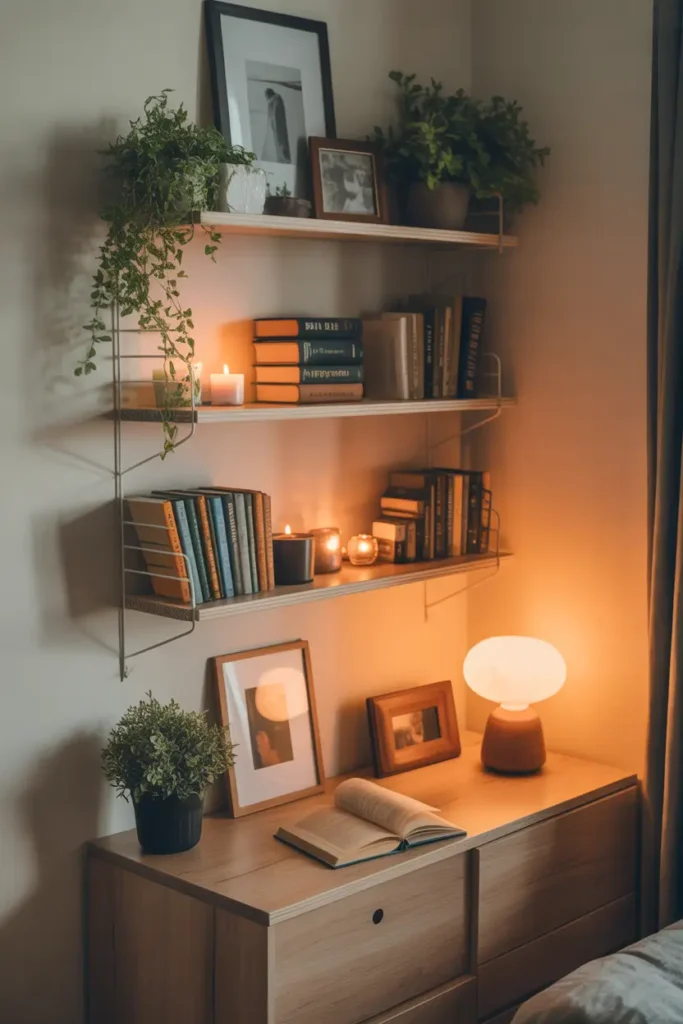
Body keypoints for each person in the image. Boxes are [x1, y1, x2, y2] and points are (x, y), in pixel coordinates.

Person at [262, 88, 291, 164]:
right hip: (278, 127)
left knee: (280, 142)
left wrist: (273, 125)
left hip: (277, 127)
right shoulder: (276, 100)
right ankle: (284, 157)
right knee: (281, 142)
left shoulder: (274, 101)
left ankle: (284, 158)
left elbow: (275, 115)